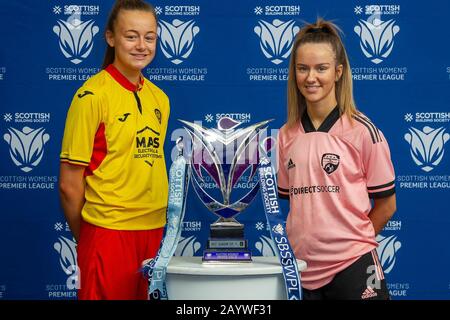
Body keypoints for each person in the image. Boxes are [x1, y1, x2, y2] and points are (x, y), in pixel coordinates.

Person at [277, 19, 396, 300]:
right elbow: (293, 202)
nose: (311, 77)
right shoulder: (285, 136)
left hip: (354, 265)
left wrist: (351, 242)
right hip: (301, 268)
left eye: (321, 68)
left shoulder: (362, 131)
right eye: (302, 68)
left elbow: (387, 205)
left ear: (338, 71)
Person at [59, 0, 169, 300]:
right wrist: (92, 238)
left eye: (149, 37)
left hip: (155, 231)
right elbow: (69, 185)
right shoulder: (91, 96)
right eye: (131, 36)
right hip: (108, 233)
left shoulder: (160, 98)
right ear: (111, 38)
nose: (141, 45)